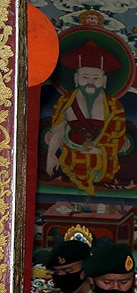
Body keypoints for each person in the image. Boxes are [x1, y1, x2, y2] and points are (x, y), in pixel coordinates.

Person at [44, 41, 127, 195]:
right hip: (70, 156)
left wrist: (100, 150)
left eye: (96, 78)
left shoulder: (114, 106)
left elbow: (117, 136)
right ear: (76, 79)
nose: (90, 82)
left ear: (104, 81)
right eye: (85, 77)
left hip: (102, 161)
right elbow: (58, 131)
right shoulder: (65, 102)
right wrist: (51, 156)